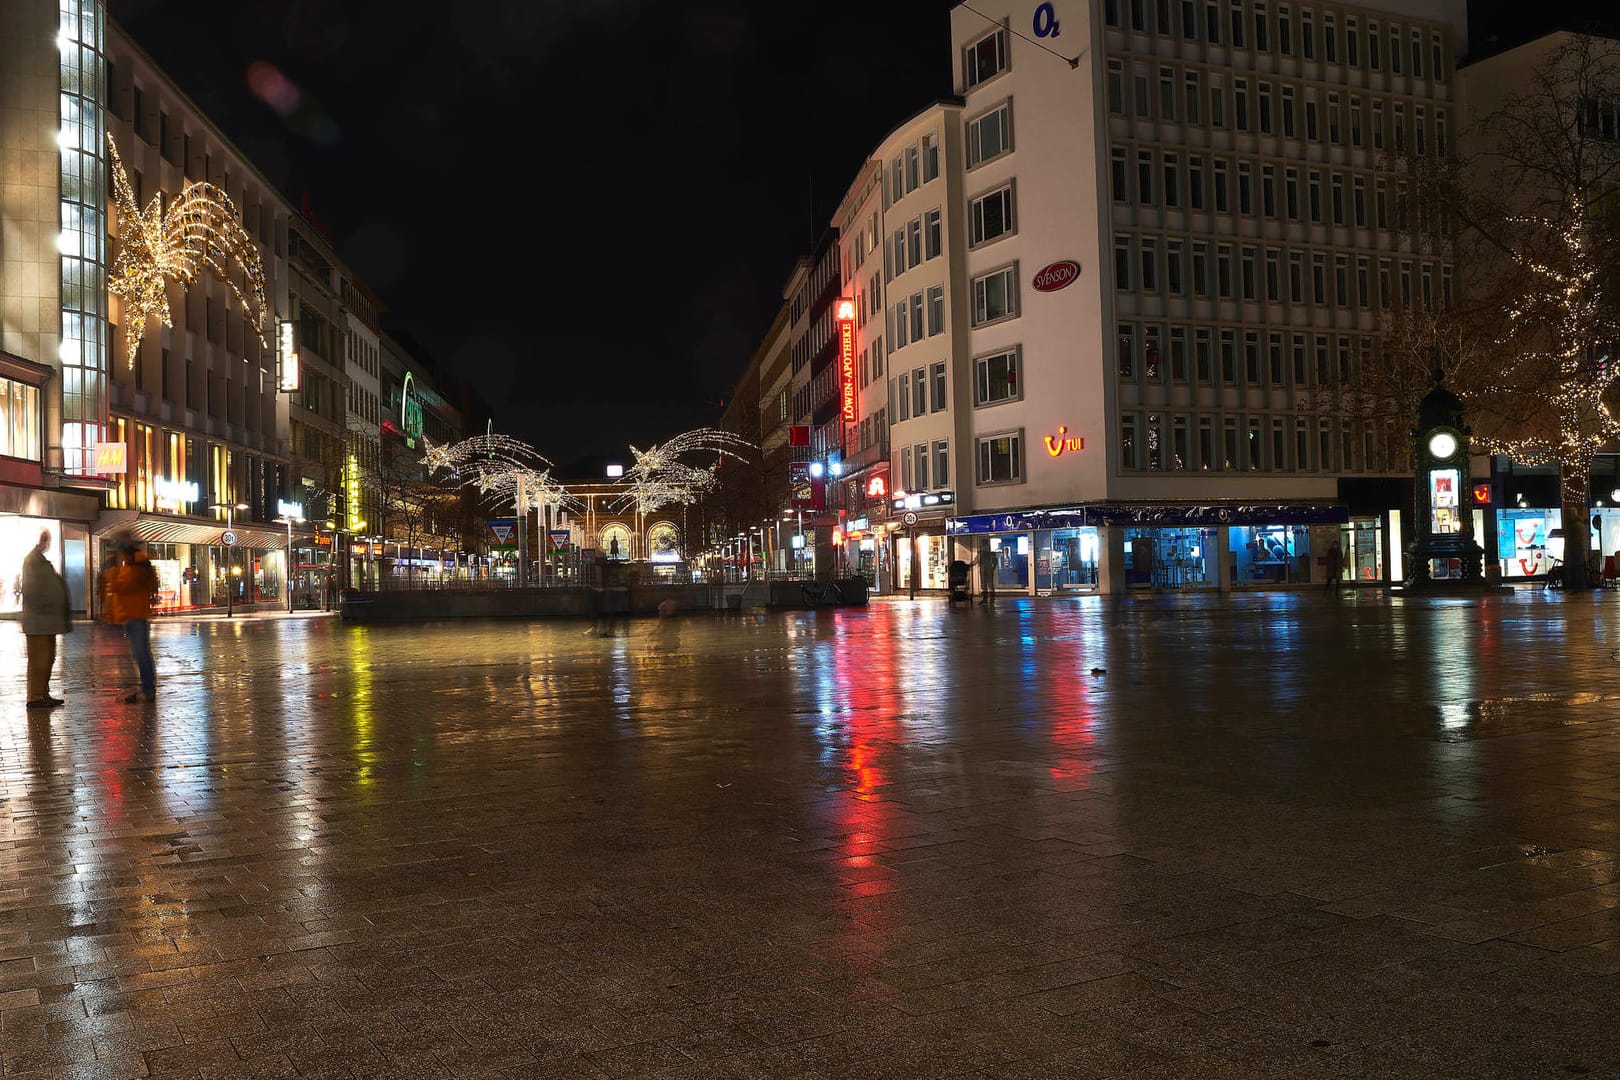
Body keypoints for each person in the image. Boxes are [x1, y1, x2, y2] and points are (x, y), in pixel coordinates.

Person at [100, 538, 158, 703]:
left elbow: (126, 585)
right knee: (140, 653)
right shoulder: (137, 565)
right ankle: (144, 688)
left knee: (140, 654)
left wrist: (112, 578)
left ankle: (147, 688)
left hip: (134, 615)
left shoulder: (136, 566)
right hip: (130, 615)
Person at [19, 530, 71, 709]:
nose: (47, 543)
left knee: (48, 658)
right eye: (45, 540)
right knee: (39, 660)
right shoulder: (32, 561)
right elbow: (34, 591)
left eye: (47, 540)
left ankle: (43, 693)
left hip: (48, 621)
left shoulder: (40, 560)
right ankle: (34, 697)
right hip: (38, 621)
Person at [976, 538, 998, 605]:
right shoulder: (991, 551)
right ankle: (991, 599)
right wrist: (993, 567)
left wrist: (971, 564)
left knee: (984, 584)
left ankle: (985, 599)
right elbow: (995, 560)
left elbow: (978, 559)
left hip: (984, 569)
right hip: (989, 568)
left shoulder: (982, 550)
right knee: (990, 584)